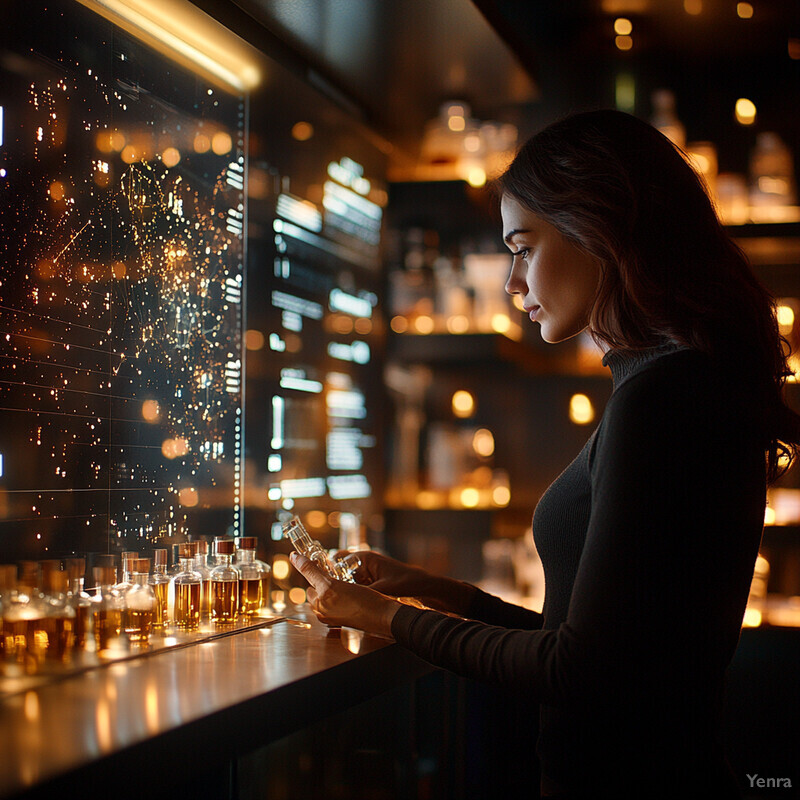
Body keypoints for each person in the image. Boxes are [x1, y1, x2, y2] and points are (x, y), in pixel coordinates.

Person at [290, 109, 800, 798]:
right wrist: (437, 592)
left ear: (599, 224)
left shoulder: (665, 398)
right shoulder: (676, 386)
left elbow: (577, 672)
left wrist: (384, 618)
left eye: (523, 247)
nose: (512, 283)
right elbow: (601, 652)